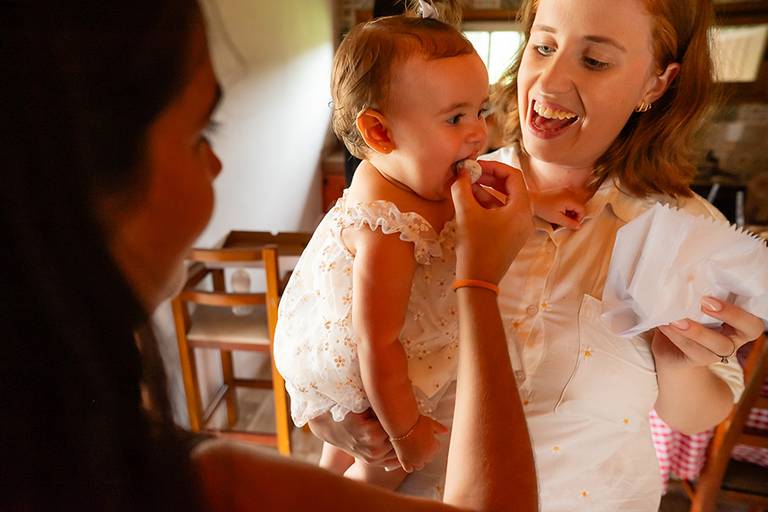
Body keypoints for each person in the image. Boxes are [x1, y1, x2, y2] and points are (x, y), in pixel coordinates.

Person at [1, 1, 538, 510]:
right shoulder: (178, 481)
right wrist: (479, 284)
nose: (215, 167)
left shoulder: (88, 448)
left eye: (481, 110)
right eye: (199, 134)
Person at [309, 0, 767, 510]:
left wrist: (678, 361)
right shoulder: (425, 193)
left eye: (594, 61)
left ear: (656, 83)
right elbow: (328, 321)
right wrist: (331, 415)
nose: (547, 82)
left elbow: (695, 415)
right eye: (543, 46)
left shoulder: (689, 233)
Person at [272, 0, 582, 492]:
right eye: (455, 118)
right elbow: (378, 343)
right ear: (380, 131)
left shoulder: (414, 165)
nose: (479, 133)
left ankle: (315, 487)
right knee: (380, 471)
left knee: (333, 461)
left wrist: (536, 202)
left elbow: (478, 189)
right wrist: (407, 431)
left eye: (479, 110)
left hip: (363, 350)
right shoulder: (386, 232)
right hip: (371, 372)